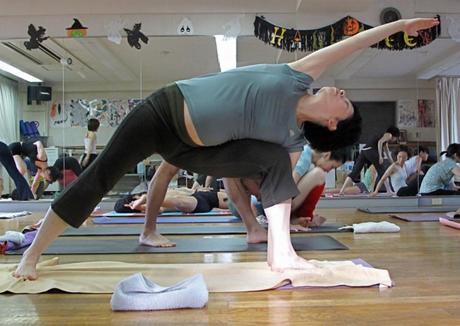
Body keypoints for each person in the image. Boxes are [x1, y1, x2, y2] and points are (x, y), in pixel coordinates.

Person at [13, 17, 439, 280]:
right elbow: (353, 42)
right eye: (344, 93)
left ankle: (280, 255)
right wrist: (399, 29)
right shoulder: (296, 75)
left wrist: (275, 221)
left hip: (195, 151)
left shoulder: (287, 144)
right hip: (162, 113)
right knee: (98, 177)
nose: (340, 90)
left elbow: (265, 184)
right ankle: (32, 255)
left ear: (332, 122)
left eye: (343, 102)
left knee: (273, 163)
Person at [340, 126, 400, 194]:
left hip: (363, 151)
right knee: (382, 171)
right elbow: (380, 142)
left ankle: (342, 191)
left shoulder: (385, 142)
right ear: (394, 135)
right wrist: (380, 156)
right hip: (371, 151)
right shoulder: (389, 135)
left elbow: (388, 153)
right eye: (396, 138)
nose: (395, 140)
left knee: (355, 172)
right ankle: (389, 190)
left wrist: (393, 163)